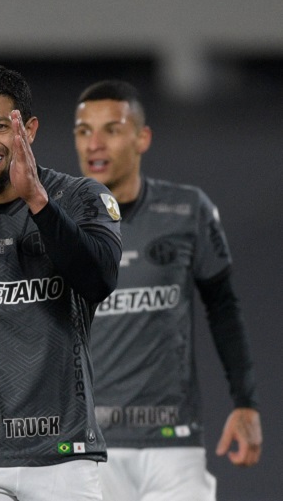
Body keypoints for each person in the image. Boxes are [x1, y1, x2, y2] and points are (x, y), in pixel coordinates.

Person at [0, 63, 122, 501]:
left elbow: (99, 279)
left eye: (0, 126)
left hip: (65, 454)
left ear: (29, 129)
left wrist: (38, 202)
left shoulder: (80, 198)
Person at [73, 79, 262, 501]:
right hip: (87, 448)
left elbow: (224, 308)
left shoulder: (188, 211)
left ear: (142, 138)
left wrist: (245, 401)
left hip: (173, 447)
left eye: (112, 129)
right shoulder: (57, 222)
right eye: (84, 131)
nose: (95, 144)